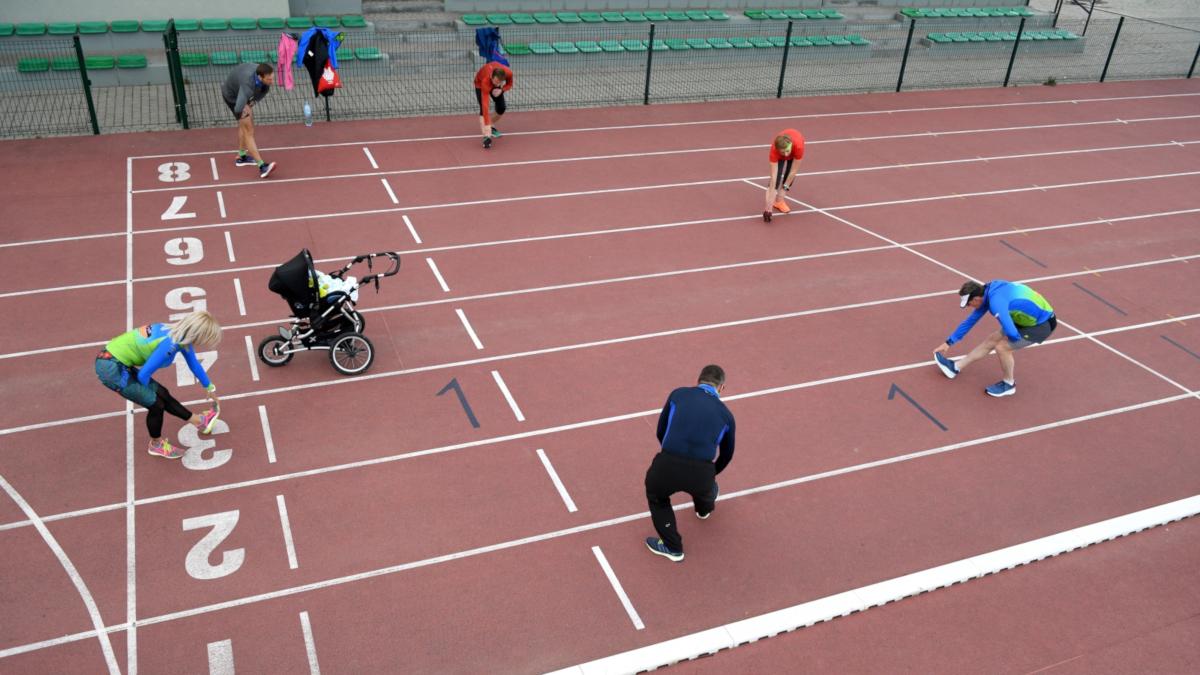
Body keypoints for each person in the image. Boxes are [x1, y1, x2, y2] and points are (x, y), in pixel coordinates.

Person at [95, 312, 224, 459]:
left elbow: (194, 364)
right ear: (197, 334)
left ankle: (200, 422)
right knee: (156, 404)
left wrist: (210, 388)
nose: (205, 343)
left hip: (115, 359)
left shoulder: (179, 335)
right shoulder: (170, 345)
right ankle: (156, 445)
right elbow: (143, 375)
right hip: (109, 367)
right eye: (206, 339)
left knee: (162, 393)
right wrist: (146, 398)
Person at [644, 365, 736, 562]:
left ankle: (673, 547)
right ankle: (704, 509)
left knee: (657, 497)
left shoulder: (678, 395)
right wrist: (712, 474)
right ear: (721, 388)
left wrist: (671, 453)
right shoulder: (727, 416)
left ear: (698, 380)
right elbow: (727, 454)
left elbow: (661, 430)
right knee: (705, 487)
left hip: (667, 465)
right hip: (702, 474)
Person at [933, 280, 1057, 397]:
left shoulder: (996, 302)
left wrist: (1011, 339)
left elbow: (1012, 332)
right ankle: (955, 367)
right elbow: (970, 321)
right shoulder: (988, 291)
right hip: (1025, 319)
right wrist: (948, 342)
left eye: (969, 304)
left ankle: (1009, 384)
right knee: (992, 339)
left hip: (1042, 324)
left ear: (976, 299)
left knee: (1002, 347)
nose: (969, 307)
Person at [222, 62, 276, 178]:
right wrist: (244, 109)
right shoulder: (248, 85)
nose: (272, 82)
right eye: (269, 79)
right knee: (248, 130)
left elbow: (261, 93)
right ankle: (262, 166)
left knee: (246, 125)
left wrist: (250, 103)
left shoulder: (263, 78)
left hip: (241, 93)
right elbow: (238, 108)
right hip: (232, 96)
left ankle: (241, 157)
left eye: (272, 78)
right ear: (260, 77)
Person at [763, 129, 805, 222]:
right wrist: (768, 208)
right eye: (783, 152)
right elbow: (773, 177)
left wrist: (784, 189)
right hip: (780, 155)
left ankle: (779, 202)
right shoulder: (774, 151)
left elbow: (794, 171)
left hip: (794, 152)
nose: (786, 155)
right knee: (776, 179)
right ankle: (772, 204)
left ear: (790, 146)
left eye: (787, 151)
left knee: (789, 173)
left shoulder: (798, 146)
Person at [474, 61, 513, 149]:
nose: (496, 84)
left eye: (499, 82)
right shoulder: (486, 81)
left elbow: (510, 84)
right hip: (480, 84)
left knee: (501, 108)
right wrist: (487, 130)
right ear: (492, 76)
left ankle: (490, 125)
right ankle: (486, 137)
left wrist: (501, 89)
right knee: (483, 110)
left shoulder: (508, 73)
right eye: (496, 81)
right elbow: (485, 106)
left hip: (494, 81)